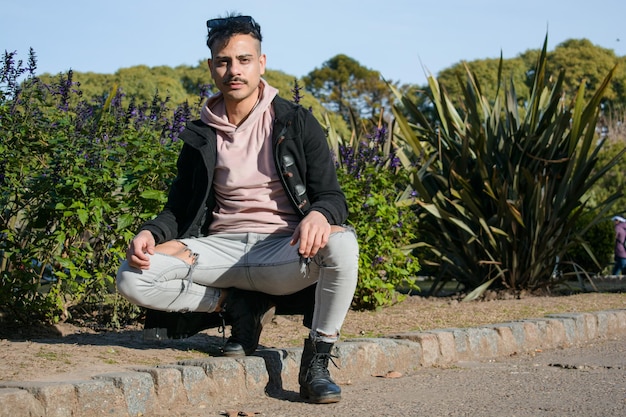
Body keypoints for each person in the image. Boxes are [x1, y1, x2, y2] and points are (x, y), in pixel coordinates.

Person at [116, 13, 359, 404]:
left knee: (343, 243)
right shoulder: (199, 134)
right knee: (132, 276)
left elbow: (332, 197)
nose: (234, 70)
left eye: (244, 60)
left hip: (282, 250)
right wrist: (151, 233)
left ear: (261, 63)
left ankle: (317, 360)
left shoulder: (295, 123)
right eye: (225, 61)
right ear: (212, 66)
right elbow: (178, 208)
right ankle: (236, 307)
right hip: (219, 249)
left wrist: (319, 214)